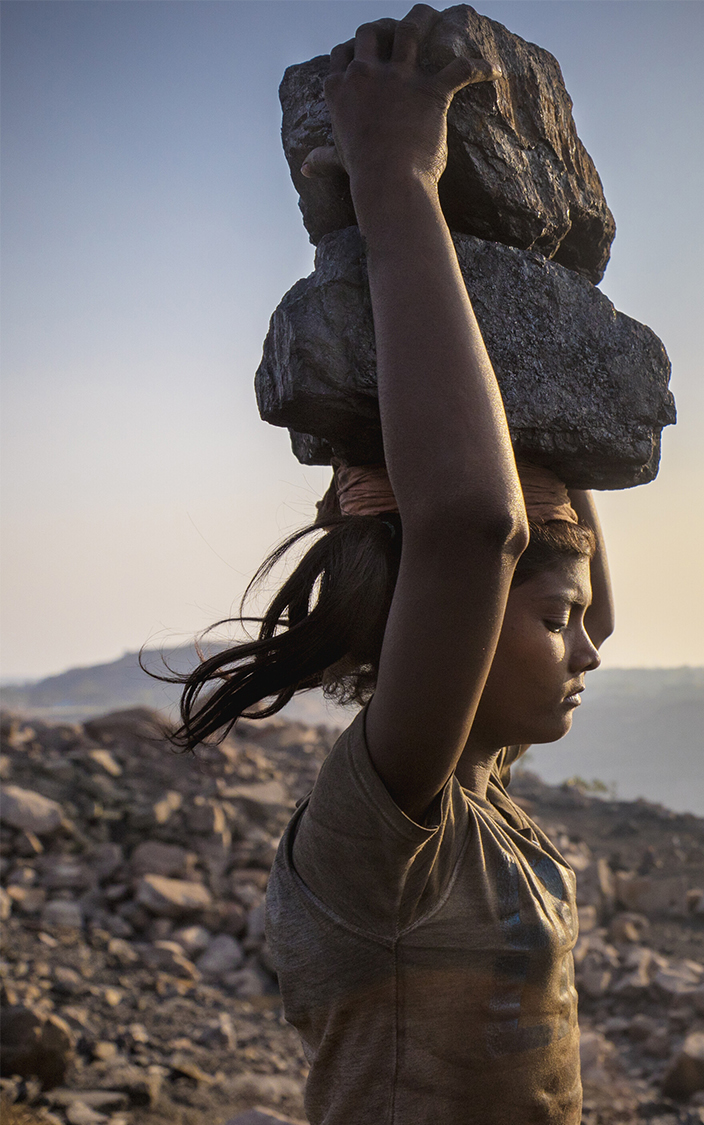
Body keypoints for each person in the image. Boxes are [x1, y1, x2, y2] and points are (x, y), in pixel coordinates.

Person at [165, 8, 616, 1122]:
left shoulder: (477, 782)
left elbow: (522, 549)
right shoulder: (387, 822)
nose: (592, 645)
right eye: (561, 618)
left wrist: (545, 310)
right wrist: (396, 182)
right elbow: (471, 524)